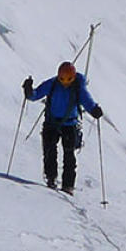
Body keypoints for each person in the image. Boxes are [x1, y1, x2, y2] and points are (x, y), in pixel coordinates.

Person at [24, 61, 104, 194]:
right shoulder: (53, 84)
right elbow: (36, 94)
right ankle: (51, 178)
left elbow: (87, 100)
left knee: (68, 155)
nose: (65, 83)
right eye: (62, 79)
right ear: (58, 76)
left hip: (68, 125)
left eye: (68, 79)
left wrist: (94, 109)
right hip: (53, 122)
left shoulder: (77, 87)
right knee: (50, 151)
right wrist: (29, 91)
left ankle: (67, 185)